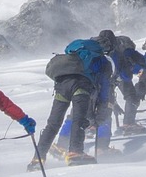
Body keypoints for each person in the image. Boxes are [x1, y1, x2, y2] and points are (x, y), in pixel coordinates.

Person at [30, 36, 112, 167]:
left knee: (53, 123)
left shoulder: (75, 53)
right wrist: (101, 111)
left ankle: (38, 158)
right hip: (81, 86)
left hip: (62, 85)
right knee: (79, 120)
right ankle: (76, 152)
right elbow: (104, 89)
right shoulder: (103, 61)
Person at [110, 33, 146, 135]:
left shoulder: (109, 52)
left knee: (103, 100)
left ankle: (91, 125)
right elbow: (144, 64)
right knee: (132, 97)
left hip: (105, 76)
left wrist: (113, 103)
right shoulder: (128, 52)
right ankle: (129, 123)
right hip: (121, 76)